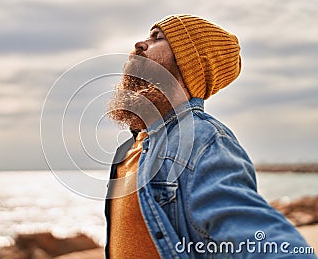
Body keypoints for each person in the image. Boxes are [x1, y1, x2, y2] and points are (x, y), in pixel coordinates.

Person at [105, 14, 316, 258]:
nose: (140, 44)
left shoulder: (201, 140)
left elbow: (264, 241)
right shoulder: (129, 149)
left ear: (189, 62)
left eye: (157, 37)